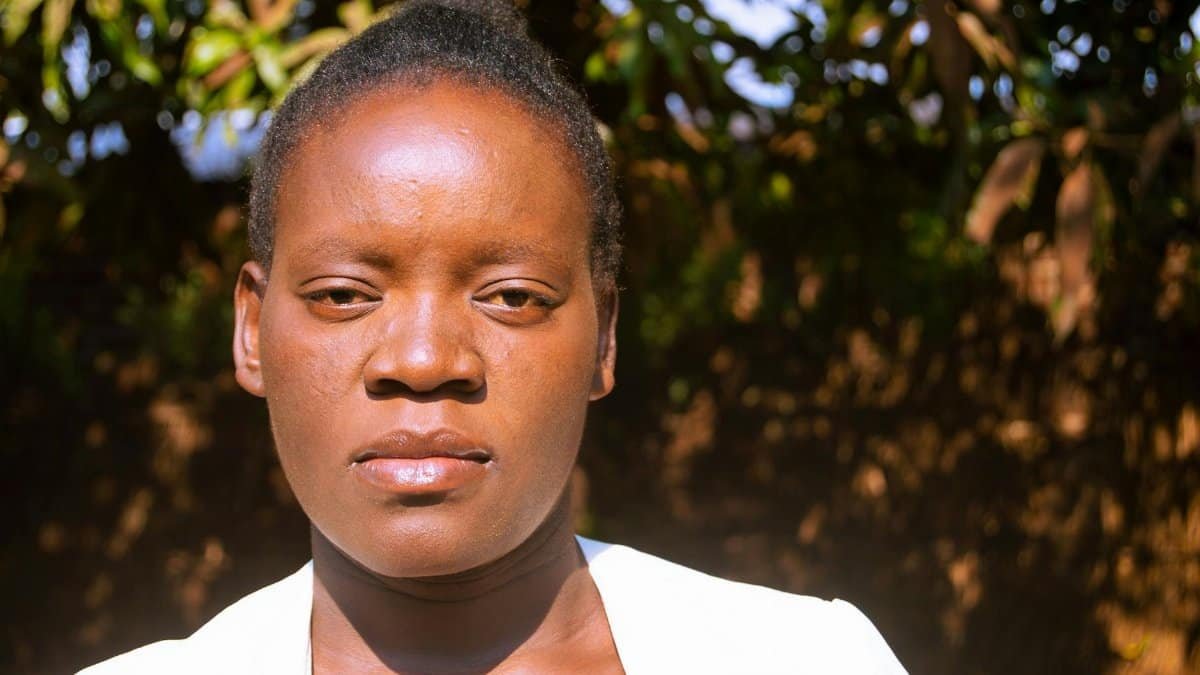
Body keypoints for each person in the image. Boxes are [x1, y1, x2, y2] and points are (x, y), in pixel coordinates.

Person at [81, 1, 907, 672]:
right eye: (342, 294)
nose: (423, 360)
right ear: (253, 330)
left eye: (511, 296)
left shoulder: (809, 656)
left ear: (604, 337)